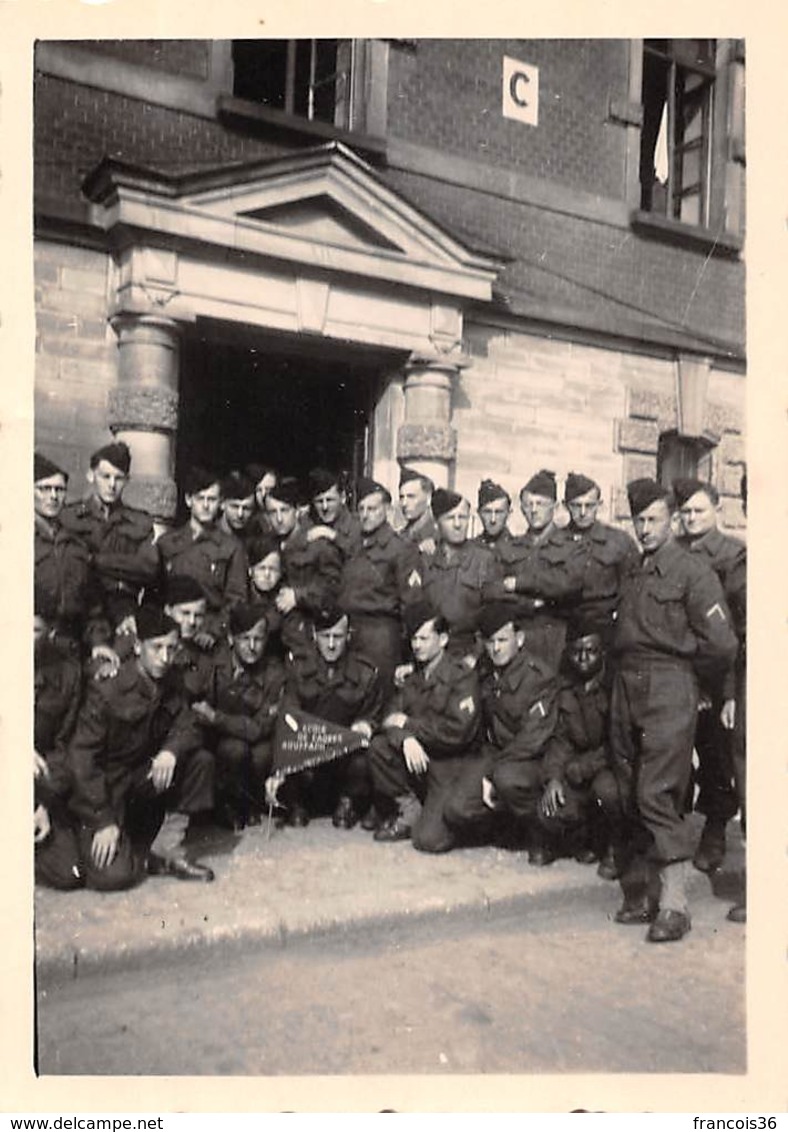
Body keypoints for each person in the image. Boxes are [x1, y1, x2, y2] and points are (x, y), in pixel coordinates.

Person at [609, 479, 738, 943]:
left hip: (669, 686)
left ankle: (675, 904)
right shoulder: (635, 572)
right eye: (638, 520)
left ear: (672, 520)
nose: (645, 529)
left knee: (658, 792)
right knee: (628, 789)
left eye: (654, 520)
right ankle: (644, 892)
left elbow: (722, 643)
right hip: (626, 685)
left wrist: (694, 681)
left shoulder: (692, 571)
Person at [67, 604, 216, 888]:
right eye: (156, 647)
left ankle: (166, 849)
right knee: (115, 876)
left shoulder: (173, 682)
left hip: (142, 779)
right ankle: (118, 841)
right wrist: (102, 821)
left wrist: (170, 751)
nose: (164, 657)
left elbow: (189, 723)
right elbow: (82, 758)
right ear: (137, 647)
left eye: (171, 648)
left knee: (200, 760)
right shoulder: (109, 689)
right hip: (107, 791)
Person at [443, 602, 558, 861]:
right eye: (490, 641)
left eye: (503, 640)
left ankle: (543, 833)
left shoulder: (538, 677)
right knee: (456, 809)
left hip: (531, 761)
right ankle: (508, 825)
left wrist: (492, 773)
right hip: (496, 755)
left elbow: (533, 740)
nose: (496, 648)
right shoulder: (485, 672)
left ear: (519, 639)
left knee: (508, 780)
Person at [673, 477, 747, 876]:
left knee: (717, 756)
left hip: (718, 675)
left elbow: (738, 629)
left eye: (699, 510)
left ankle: (715, 829)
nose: (691, 518)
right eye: (684, 512)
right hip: (682, 673)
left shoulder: (733, 556)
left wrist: (730, 690)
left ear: (717, 509)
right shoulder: (673, 553)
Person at [368, 601, 482, 852]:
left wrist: (409, 725)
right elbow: (389, 717)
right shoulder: (414, 678)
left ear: (442, 640)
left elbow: (457, 732)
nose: (417, 645)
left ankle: (473, 824)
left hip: (452, 767)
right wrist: (406, 739)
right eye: (414, 639)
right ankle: (411, 811)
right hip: (423, 762)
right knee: (379, 747)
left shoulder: (461, 676)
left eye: (424, 638)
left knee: (428, 841)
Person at [279, 606, 384, 829]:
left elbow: (372, 713)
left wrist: (365, 725)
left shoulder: (365, 671)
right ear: (314, 636)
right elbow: (290, 712)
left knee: (363, 760)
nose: (332, 644)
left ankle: (348, 802)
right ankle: (297, 803)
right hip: (307, 753)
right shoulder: (298, 666)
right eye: (325, 636)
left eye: (338, 636)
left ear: (348, 636)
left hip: (344, 758)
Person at [537, 623, 624, 877]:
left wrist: (586, 767)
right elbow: (559, 739)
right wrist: (553, 778)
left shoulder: (614, 687)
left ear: (603, 653)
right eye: (577, 652)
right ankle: (585, 840)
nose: (583, 658)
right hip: (577, 768)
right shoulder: (566, 689)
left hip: (610, 767)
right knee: (548, 810)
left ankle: (617, 845)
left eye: (591, 651)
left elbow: (618, 742)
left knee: (607, 791)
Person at [190, 604, 285, 831]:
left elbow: (259, 728)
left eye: (258, 639)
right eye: (245, 639)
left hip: (251, 739)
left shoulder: (274, 673)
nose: (252, 647)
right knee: (233, 750)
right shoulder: (211, 663)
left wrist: (215, 717)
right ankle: (225, 804)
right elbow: (194, 704)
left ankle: (251, 803)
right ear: (231, 638)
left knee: (262, 753)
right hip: (218, 744)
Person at [60, 441, 160, 636]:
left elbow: (148, 567)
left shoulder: (139, 522)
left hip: (123, 614)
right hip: (79, 613)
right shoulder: (70, 517)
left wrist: (93, 560)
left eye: (119, 478)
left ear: (127, 479)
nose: (112, 485)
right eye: (105, 477)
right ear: (91, 476)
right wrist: (121, 567)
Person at [483, 469, 580, 670]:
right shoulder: (510, 547)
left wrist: (519, 583)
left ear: (554, 507)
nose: (534, 510)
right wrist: (531, 603)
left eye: (540, 504)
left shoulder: (571, 546)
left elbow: (568, 584)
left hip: (555, 640)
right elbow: (491, 590)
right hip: (518, 640)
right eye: (528, 505)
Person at [338, 476, 423, 693]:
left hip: (381, 640)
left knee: (377, 700)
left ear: (386, 509)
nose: (365, 514)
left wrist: (411, 657)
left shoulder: (400, 549)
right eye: (361, 508)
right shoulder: (353, 545)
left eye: (373, 508)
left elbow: (412, 605)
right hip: (349, 637)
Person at [158, 466, 248, 640]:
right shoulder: (167, 543)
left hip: (210, 635)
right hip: (171, 633)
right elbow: (155, 595)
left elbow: (237, 600)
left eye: (212, 499)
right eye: (200, 499)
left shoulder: (231, 547)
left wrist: (214, 630)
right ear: (189, 500)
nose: (206, 505)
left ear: (221, 502)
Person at [33, 594, 85, 890]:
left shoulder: (67, 673)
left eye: (34, 631)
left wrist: (45, 803)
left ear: (51, 632)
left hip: (40, 784)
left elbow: (68, 746)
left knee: (70, 873)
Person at [264, 477, 343, 655]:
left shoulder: (318, 544)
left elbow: (332, 589)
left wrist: (298, 596)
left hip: (307, 640)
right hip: (274, 637)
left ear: (297, 511)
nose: (278, 518)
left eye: (284, 511)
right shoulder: (267, 545)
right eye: (272, 512)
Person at [560, 472, 641, 644]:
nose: (583, 513)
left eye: (589, 506)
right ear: (565, 505)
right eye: (576, 506)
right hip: (563, 630)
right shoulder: (555, 541)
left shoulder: (619, 541)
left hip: (605, 632)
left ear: (599, 505)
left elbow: (633, 591)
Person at [421, 489, 495, 664]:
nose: (457, 524)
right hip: (429, 655)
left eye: (462, 517)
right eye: (450, 518)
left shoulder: (483, 560)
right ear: (437, 522)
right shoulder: (424, 559)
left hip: (467, 655)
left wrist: (475, 656)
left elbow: (493, 614)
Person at [34, 452, 99, 650]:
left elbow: (93, 606)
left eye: (59, 490)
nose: (53, 496)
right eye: (44, 489)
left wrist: (99, 643)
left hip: (69, 645)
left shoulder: (76, 544)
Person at [163, 574, 217, 699]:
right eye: (185, 613)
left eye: (198, 615)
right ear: (168, 610)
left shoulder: (204, 658)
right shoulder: (147, 643)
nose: (192, 622)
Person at [304, 468, 362, 559]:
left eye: (330, 500)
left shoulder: (356, 526)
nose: (325, 507)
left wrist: (333, 536)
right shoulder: (307, 523)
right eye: (319, 501)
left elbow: (360, 557)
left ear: (343, 498)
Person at [397, 467, 438, 554]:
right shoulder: (401, 535)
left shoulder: (438, 535)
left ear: (429, 498)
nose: (404, 503)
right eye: (401, 497)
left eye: (411, 496)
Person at [217, 470, 258, 552]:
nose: (240, 514)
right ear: (222, 504)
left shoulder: (256, 540)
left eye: (246, 508)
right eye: (234, 507)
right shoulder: (208, 538)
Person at [474, 479, 513, 551]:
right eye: (487, 512)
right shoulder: (471, 548)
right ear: (479, 513)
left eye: (498, 512)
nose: (493, 520)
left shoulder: (518, 548)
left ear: (509, 513)